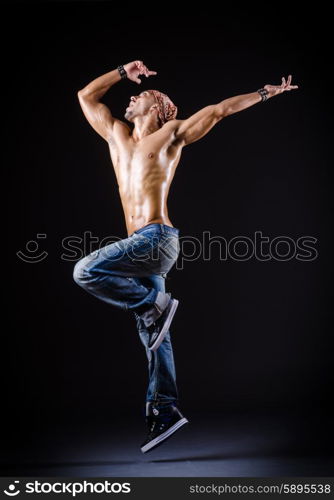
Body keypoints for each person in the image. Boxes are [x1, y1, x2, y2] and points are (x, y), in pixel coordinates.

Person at [73, 60, 298, 453]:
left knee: (85, 270)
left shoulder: (171, 135)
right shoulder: (116, 137)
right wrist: (124, 72)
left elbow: (219, 110)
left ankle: (150, 304)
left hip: (157, 240)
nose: (131, 96)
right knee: (155, 336)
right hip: (140, 247)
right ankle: (166, 410)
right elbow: (86, 96)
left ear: (158, 107)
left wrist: (265, 93)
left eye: (139, 95)